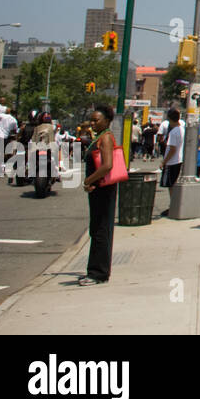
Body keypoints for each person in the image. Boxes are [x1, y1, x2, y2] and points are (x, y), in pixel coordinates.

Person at [79, 106, 119, 285]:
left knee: (101, 229)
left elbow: (107, 165)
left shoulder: (106, 138)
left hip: (103, 189)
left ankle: (98, 273)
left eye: (96, 120)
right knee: (97, 229)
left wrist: (88, 180)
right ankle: (95, 269)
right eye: (92, 120)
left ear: (107, 121)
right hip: (98, 189)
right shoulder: (100, 137)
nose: (93, 123)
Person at [159, 108, 183, 215]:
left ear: (169, 118)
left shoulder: (174, 132)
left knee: (170, 185)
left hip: (172, 162)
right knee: (173, 184)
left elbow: (172, 149)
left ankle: (173, 206)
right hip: (178, 160)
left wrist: (164, 162)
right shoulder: (182, 129)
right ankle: (174, 205)